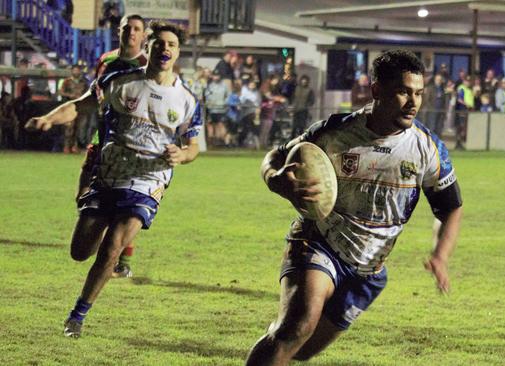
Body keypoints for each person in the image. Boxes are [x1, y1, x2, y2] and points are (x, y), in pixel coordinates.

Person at [246, 49, 463, 365]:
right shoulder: (336, 131)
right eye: (403, 91)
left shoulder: (427, 149)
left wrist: (441, 255)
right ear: (377, 90)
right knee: (296, 327)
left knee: (303, 349)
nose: (413, 102)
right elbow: (276, 157)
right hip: (319, 242)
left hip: (368, 269)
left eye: (418, 93)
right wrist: (276, 178)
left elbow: (450, 207)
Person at [26, 20, 201, 338]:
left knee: (112, 248)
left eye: (171, 45)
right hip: (109, 172)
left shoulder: (187, 99)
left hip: (149, 178)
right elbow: (79, 107)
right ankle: (97, 250)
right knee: (81, 251)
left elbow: (194, 146)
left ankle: (77, 316)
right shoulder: (118, 81)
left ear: (178, 53)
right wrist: (48, 119)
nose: (165, 49)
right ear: (147, 48)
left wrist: (182, 155)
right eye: (159, 43)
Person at [78, 14, 148, 278]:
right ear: (118, 31)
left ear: (143, 35)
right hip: (100, 141)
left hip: (129, 150)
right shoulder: (106, 60)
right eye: (126, 28)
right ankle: (106, 249)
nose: (131, 32)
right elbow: (95, 94)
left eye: (137, 29)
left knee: (125, 208)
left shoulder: (147, 65)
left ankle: (120, 259)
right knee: (84, 198)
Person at [59, 64, 89, 153]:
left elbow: (88, 93)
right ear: (72, 71)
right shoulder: (67, 82)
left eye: (78, 70)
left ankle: (75, 146)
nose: (76, 72)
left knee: (79, 127)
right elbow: (61, 92)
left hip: (80, 107)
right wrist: (70, 95)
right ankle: (66, 146)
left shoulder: (84, 82)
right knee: (69, 127)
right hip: (70, 107)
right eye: (75, 70)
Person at [204, 72, 229, 146]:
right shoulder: (210, 86)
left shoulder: (224, 86)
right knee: (211, 125)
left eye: (218, 75)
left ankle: (221, 141)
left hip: (221, 109)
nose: (216, 77)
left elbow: (227, 96)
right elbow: (207, 97)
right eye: (215, 75)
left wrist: (224, 103)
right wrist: (209, 103)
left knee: (220, 125)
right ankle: (212, 143)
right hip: (211, 109)